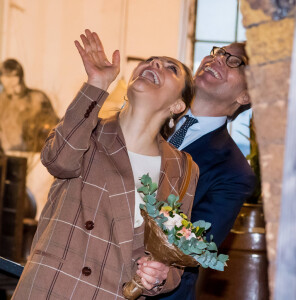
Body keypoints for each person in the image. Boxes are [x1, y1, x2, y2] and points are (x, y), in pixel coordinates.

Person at [12, 29, 199, 299]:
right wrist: (97, 83)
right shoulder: (88, 130)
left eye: (171, 68)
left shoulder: (183, 168)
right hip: (51, 287)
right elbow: (57, 160)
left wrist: (159, 275)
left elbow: (176, 253)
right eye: (150, 60)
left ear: (178, 106)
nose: (155, 63)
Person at [147, 43, 257, 300]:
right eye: (218, 52)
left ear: (245, 96)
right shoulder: (149, 114)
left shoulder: (234, 172)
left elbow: (193, 245)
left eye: (235, 61)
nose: (217, 59)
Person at [0, 59, 59, 153]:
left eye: (13, 81)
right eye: (6, 85)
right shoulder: (2, 101)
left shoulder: (38, 98)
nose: (12, 89)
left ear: (19, 77)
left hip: (35, 156)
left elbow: (54, 128)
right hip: (8, 157)